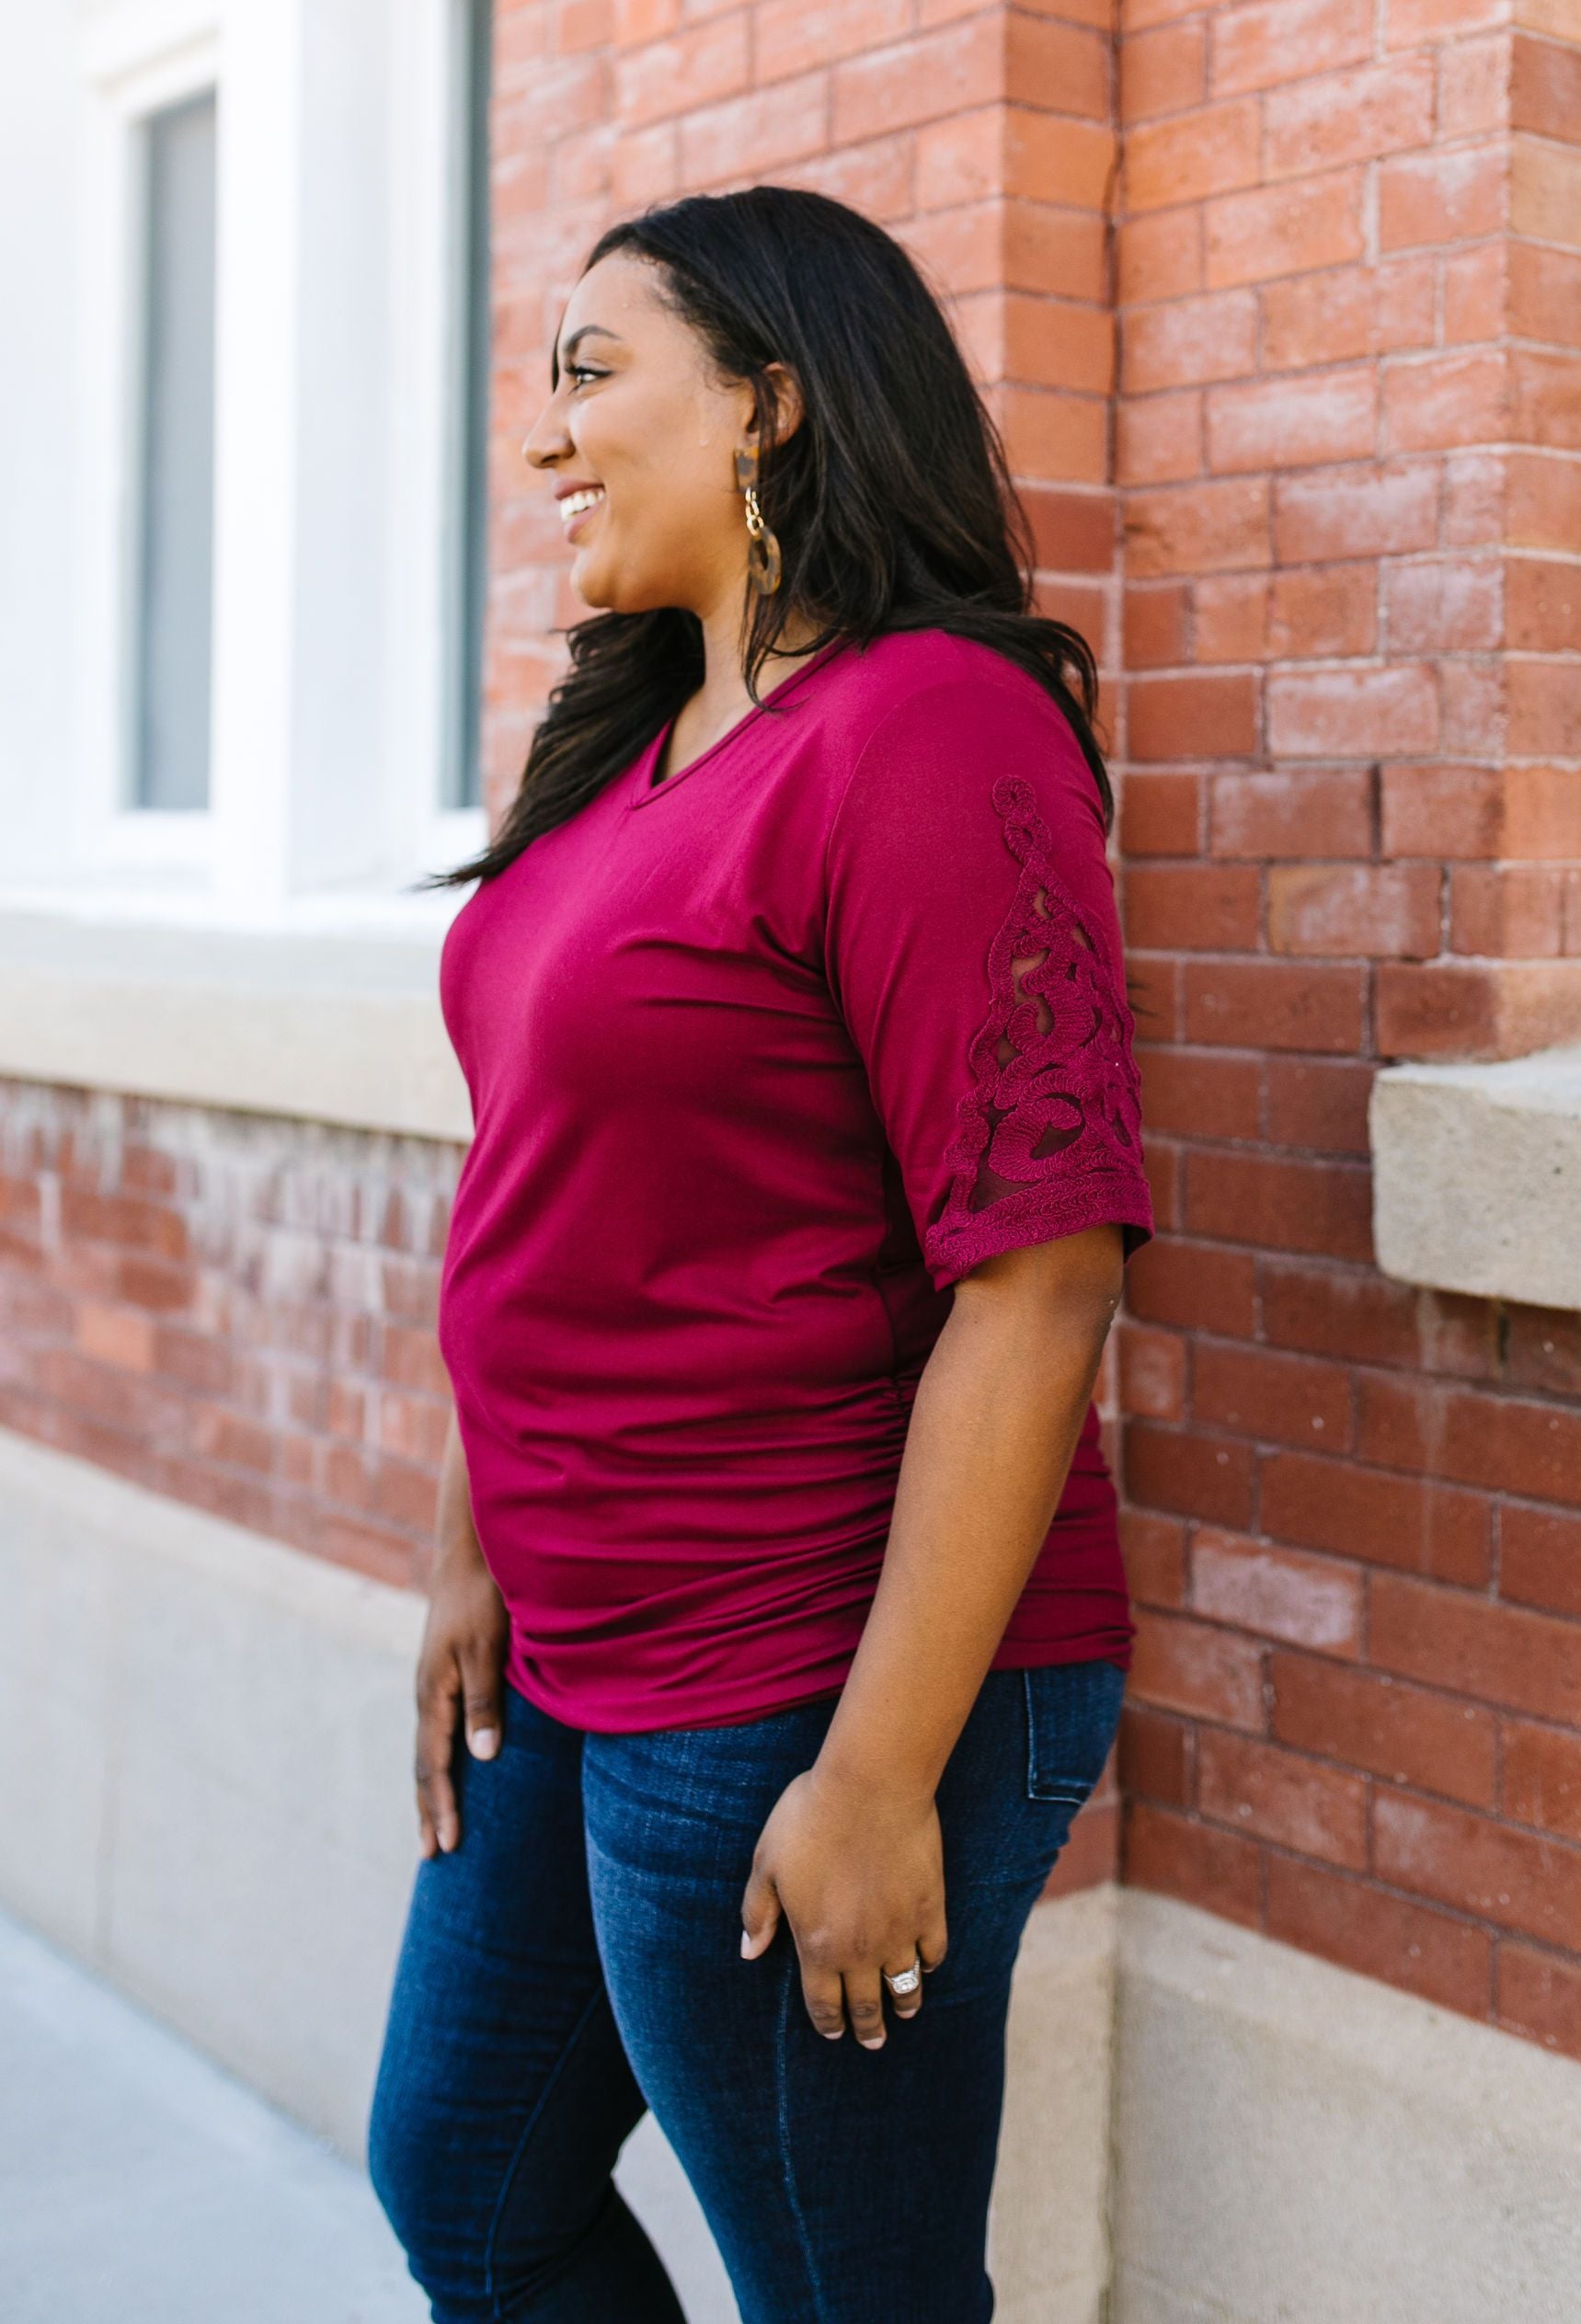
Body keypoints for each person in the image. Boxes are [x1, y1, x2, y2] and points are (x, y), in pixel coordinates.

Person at [367, 185, 1152, 2323]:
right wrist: (472, 1540)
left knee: (844, 2293)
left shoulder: (926, 728)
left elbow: (1042, 1277)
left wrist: (879, 1775)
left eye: (593, 373)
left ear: (772, 405)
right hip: (579, 1631)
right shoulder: (629, 750)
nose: (548, 438)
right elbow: (547, 1172)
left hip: (799, 1656)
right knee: (466, 2183)